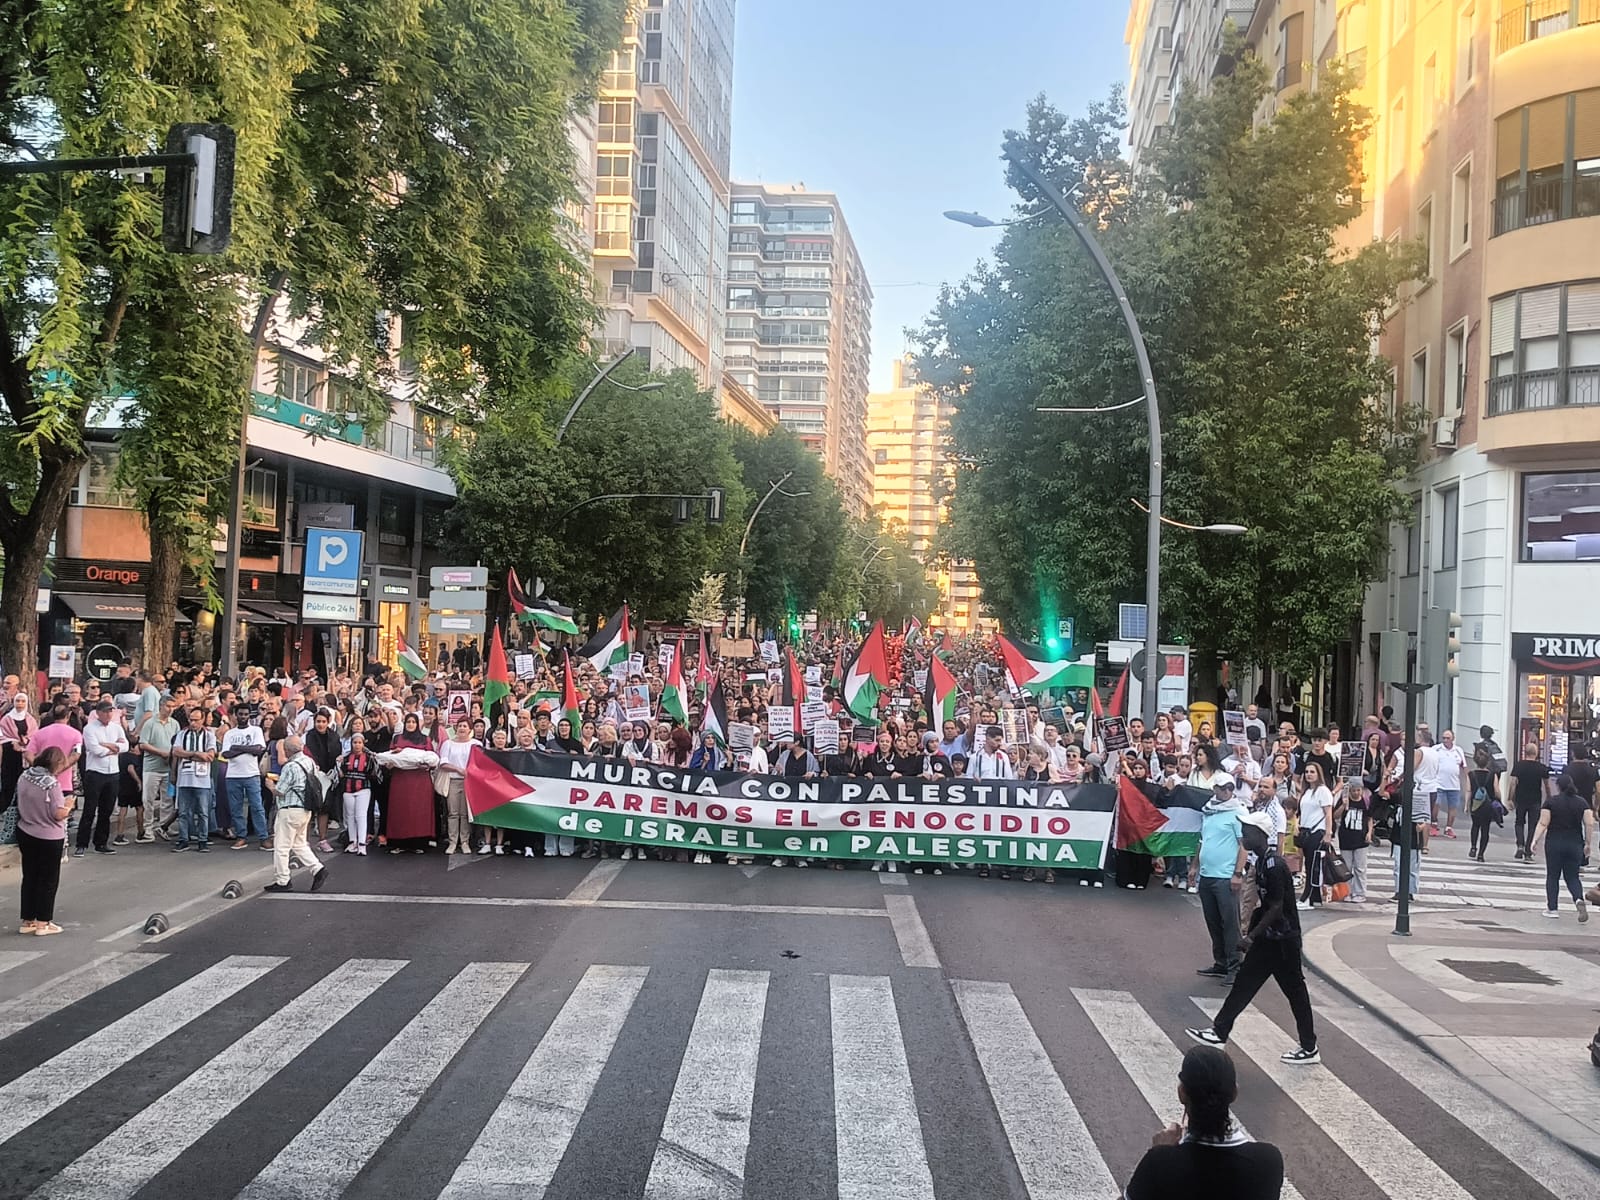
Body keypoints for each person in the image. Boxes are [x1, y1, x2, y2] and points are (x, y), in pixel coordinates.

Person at [1187, 812, 1319, 1065]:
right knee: (1244, 984)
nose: (1243, 835)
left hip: (1283, 940)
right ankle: (1219, 1031)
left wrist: (1251, 937)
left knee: (1295, 992)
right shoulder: (1263, 862)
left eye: (1247, 830)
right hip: (1270, 939)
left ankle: (1309, 1047)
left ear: (1260, 834)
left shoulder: (1274, 865)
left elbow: (1277, 907)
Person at [1122, 1045, 1285, 1200]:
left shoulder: (1160, 1163)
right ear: (1234, 1093)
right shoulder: (1268, 1161)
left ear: (1181, 1093)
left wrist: (1158, 1151)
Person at [1192, 776, 1247, 982]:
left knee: (1230, 924)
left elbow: (1243, 845)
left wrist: (1237, 873)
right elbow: (1202, 840)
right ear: (1215, 788)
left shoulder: (1238, 812)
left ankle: (1235, 967)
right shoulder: (1209, 810)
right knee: (1213, 922)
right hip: (1207, 874)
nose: (1226, 791)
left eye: (1230, 788)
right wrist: (1194, 866)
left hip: (1225, 877)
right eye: (1223, 788)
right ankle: (1221, 963)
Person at [16, 746, 73, 936]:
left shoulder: (25, 776)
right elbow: (57, 814)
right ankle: (43, 922)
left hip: (26, 830)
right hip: (49, 836)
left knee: (30, 876)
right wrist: (69, 806)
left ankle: (28, 920)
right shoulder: (50, 783)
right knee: (48, 879)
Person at [262, 736, 328, 894]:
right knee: (299, 844)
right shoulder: (309, 761)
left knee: (281, 847)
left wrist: (270, 785)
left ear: (287, 750)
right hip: (305, 809)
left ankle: (283, 880)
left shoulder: (290, 766)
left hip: (289, 810)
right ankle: (318, 869)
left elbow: (280, 791)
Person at [1528, 774, 1597, 921]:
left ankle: (1552, 909)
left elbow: (1543, 823)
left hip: (1554, 843)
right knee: (1572, 876)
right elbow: (1589, 823)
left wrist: (1535, 840)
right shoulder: (1582, 803)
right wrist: (1588, 844)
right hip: (1575, 844)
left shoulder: (1551, 802)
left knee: (1553, 876)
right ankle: (1578, 899)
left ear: (1558, 786)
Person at [74, 700, 129, 856]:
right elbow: (95, 749)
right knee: (90, 809)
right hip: (95, 772)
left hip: (113, 772)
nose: (108, 714)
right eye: (105, 711)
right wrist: (113, 747)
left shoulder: (116, 728)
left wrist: (107, 745)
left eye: (110, 711)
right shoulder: (89, 728)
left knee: (107, 810)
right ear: (98, 713)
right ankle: (81, 844)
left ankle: (101, 842)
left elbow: (125, 746)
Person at [222, 702, 270, 850]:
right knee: (236, 809)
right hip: (233, 775)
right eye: (240, 714)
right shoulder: (230, 733)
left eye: (245, 714)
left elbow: (259, 750)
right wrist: (247, 749)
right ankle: (241, 836)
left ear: (249, 715)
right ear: (235, 715)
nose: (243, 717)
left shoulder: (256, 730)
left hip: (251, 774)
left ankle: (263, 837)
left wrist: (237, 747)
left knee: (257, 807)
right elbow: (226, 753)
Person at [171, 705, 217, 852]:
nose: (193, 723)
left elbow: (210, 756)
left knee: (203, 812)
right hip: (184, 778)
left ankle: (203, 840)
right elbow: (176, 751)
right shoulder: (182, 734)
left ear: (202, 720)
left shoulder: (209, 735)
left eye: (196, 720)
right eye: (191, 720)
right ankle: (183, 839)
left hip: (202, 779)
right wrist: (196, 754)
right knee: (183, 812)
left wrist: (187, 754)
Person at [139, 696, 181, 840]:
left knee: (167, 799)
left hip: (168, 768)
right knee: (148, 800)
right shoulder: (150, 723)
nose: (170, 710)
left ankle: (163, 826)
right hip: (152, 768)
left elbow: (177, 743)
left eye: (173, 707)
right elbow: (143, 744)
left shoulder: (174, 724)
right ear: (161, 706)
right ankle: (148, 828)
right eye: (168, 706)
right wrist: (160, 752)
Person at [1296, 761, 1334, 908]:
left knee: (1313, 865)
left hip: (1317, 831)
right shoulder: (1306, 792)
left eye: (1312, 772)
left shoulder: (1323, 791)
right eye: (1307, 772)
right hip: (1305, 831)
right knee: (1309, 864)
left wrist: (1328, 833)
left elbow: (1328, 813)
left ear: (1318, 774)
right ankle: (1314, 897)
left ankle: (1307, 896)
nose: (1309, 775)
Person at [1508, 742, 1553, 861]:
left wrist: (1510, 798)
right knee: (1533, 825)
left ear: (1525, 752)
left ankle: (1520, 845)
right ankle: (1528, 851)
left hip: (1521, 798)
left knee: (1519, 822)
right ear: (1536, 753)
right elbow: (1547, 785)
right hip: (1535, 800)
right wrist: (1549, 798)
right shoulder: (1541, 767)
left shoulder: (1519, 765)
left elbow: (1513, 783)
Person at [339, 733, 376, 856]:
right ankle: (352, 841)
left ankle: (361, 844)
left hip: (363, 789)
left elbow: (373, 774)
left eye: (360, 743)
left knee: (361, 816)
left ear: (363, 744)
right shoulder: (345, 758)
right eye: (355, 742)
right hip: (348, 789)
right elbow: (341, 773)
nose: (357, 745)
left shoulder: (369, 758)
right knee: (350, 816)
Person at [1465, 747, 1501, 863]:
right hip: (1487, 806)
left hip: (1475, 804)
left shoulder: (1471, 774)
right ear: (1488, 762)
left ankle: (1473, 847)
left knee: (1475, 825)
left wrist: (1466, 804)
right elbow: (1496, 790)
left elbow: (1468, 790)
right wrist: (1499, 800)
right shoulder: (1492, 775)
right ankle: (1481, 854)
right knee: (1485, 829)